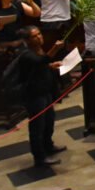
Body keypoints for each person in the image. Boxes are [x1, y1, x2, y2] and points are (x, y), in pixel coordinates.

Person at [17, 25, 67, 168]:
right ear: (27, 40)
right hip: (34, 95)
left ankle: (48, 146)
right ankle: (39, 157)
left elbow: (41, 65)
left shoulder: (38, 49)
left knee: (49, 121)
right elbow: (38, 62)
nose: (39, 37)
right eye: (34, 36)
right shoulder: (25, 53)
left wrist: (51, 66)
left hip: (45, 92)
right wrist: (55, 49)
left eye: (39, 34)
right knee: (37, 127)